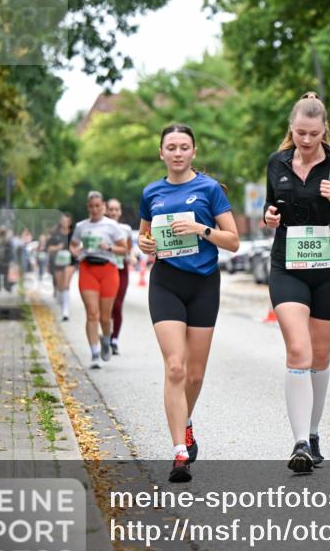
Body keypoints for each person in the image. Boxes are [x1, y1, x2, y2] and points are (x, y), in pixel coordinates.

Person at [263, 92, 330, 473]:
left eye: (313, 134)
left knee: (320, 357)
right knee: (298, 350)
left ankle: (314, 430)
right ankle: (300, 442)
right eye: (300, 133)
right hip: (287, 266)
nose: (306, 141)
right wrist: (269, 217)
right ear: (291, 130)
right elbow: (271, 206)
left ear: (325, 131)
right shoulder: (277, 163)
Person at [137, 124, 239, 483]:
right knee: (176, 367)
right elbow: (144, 234)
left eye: (184, 147)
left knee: (195, 374)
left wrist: (201, 230)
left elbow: (233, 241)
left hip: (203, 285)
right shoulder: (152, 192)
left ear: (193, 152)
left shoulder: (209, 190)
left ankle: (187, 420)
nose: (177, 153)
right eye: (171, 147)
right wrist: (144, 244)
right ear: (161, 153)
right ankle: (180, 451)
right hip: (166, 283)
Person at [69, 192, 128, 370]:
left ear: (103, 206)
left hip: (108, 270)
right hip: (87, 268)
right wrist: (76, 251)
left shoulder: (111, 226)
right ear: (88, 207)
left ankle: (106, 339)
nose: (95, 209)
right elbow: (73, 244)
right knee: (92, 313)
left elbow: (123, 249)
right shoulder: (81, 226)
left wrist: (109, 247)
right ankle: (94, 353)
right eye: (91, 206)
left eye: (98, 206)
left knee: (104, 317)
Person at [105, 198, 133, 355]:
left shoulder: (126, 228)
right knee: (107, 307)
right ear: (107, 211)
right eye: (111, 209)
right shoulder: (101, 227)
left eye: (116, 209)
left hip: (122, 269)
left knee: (117, 305)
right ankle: (106, 335)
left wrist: (133, 256)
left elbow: (129, 248)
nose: (114, 212)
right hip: (107, 268)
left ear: (120, 212)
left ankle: (114, 339)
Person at [47, 213, 77, 321]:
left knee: (66, 284)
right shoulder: (55, 234)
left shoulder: (74, 234)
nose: (65, 223)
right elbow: (49, 248)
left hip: (70, 262)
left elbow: (78, 247)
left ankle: (66, 311)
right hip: (58, 262)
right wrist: (57, 248)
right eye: (63, 221)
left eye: (67, 221)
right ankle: (61, 301)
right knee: (60, 287)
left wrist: (74, 250)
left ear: (70, 222)